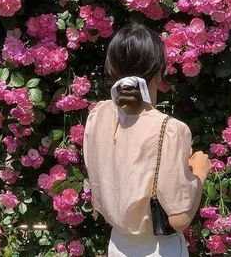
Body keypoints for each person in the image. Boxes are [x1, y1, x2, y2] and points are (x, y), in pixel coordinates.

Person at [83, 23, 212, 257]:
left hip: (117, 245)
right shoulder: (169, 129)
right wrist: (199, 174)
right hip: (159, 249)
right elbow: (180, 219)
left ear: (111, 67)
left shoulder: (97, 116)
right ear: (160, 71)